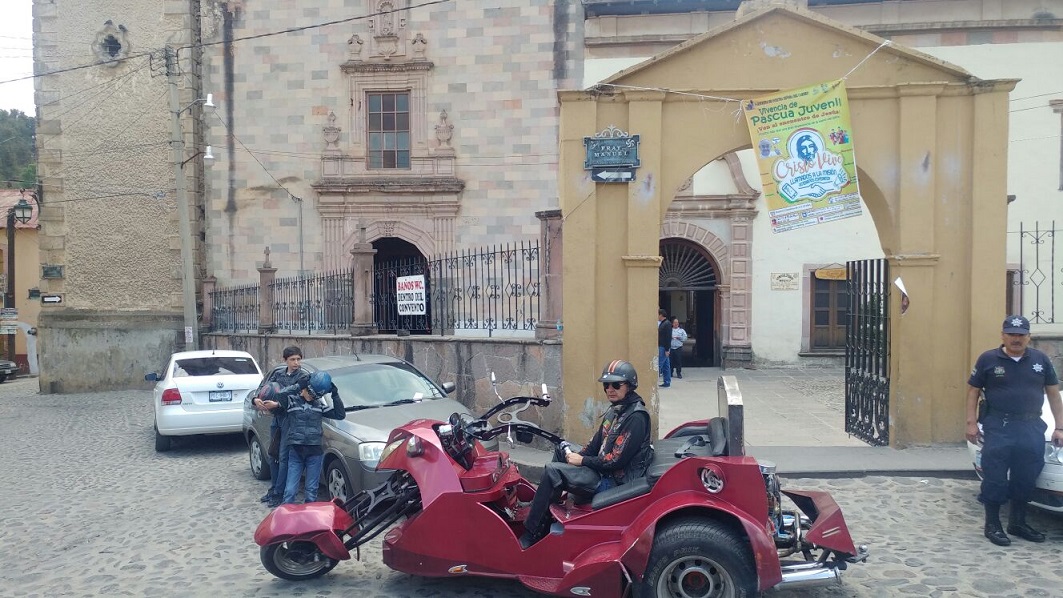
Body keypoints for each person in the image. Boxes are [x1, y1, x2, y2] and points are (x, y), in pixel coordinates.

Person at [519, 360, 653, 549]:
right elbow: (595, 444)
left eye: (616, 384)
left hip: (614, 482)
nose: (610, 389)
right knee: (561, 448)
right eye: (606, 385)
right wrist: (576, 456)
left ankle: (532, 533)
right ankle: (542, 508)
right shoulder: (616, 410)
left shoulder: (636, 417)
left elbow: (616, 461)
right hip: (602, 470)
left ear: (630, 386)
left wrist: (582, 460)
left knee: (553, 471)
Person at [965, 315, 1063, 546]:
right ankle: (993, 525)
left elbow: (1053, 393)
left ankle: (1017, 523)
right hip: (999, 426)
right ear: (1003, 335)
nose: (1016, 339)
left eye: (1020, 335)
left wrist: (1059, 426)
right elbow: (972, 391)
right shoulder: (988, 359)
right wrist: (970, 422)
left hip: (1030, 427)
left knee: (1026, 476)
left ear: (1029, 336)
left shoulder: (1040, 360)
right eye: (1011, 334)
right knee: (995, 477)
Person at [278, 371, 346, 504]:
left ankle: (310, 520)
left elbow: (340, 414)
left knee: (311, 490)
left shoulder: (319, 406)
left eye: (314, 395)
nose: (311, 397)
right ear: (305, 388)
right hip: (296, 452)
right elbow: (280, 394)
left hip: (314, 453)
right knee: (290, 491)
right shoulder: (291, 403)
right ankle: (286, 519)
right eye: (309, 392)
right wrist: (298, 385)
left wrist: (335, 394)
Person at [254, 345, 309, 508]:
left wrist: (277, 403)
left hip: (290, 420)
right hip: (276, 419)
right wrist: (256, 399)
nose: (296, 363)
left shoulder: (303, 377)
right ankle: (273, 490)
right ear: (285, 360)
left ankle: (280, 492)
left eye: (298, 359)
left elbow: (301, 399)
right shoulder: (278, 374)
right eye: (292, 359)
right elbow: (263, 389)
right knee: (273, 455)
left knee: (284, 457)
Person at [657, 309, 672, 388]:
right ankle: (667, 381)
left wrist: (667, 349)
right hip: (662, 346)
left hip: (663, 347)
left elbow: (668, 337)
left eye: (658, 314)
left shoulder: (667, 324)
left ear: (661, 315)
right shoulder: (663, 323)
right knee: (666, 365)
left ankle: (655, 380)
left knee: (659, 364)